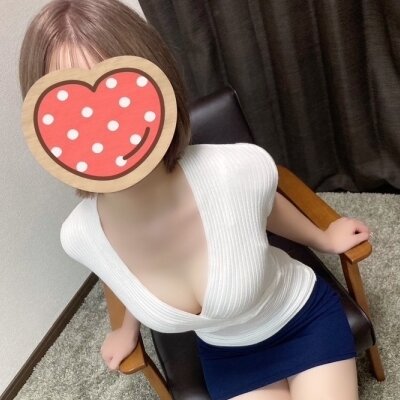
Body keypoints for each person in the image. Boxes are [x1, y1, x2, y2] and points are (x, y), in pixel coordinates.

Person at [19, 1, 371, 399]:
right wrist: (126, 327)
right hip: (228, 356)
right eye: (73, 108)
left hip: (301, 320)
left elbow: (265, 206)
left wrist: (323, 237)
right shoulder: (81, 236)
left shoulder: (235, 168)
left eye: (119, 92)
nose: (103, 125)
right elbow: (120, 270)